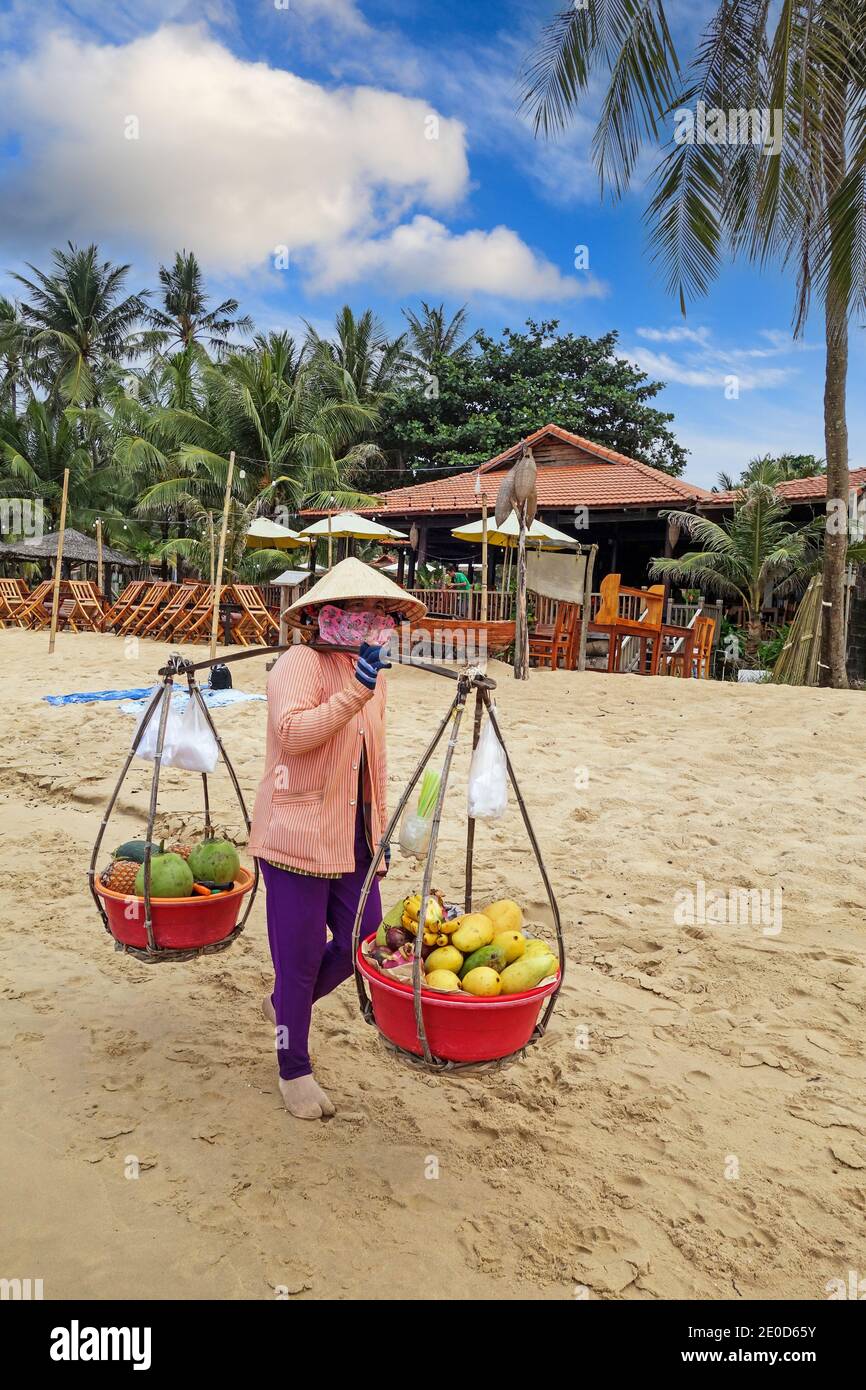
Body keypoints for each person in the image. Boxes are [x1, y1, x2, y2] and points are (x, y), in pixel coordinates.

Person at [248, 558, 427, 1120]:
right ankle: (292, 1064)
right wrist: (356, 688)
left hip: (354, 840)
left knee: (366, 942)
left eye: (380, 611)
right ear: (329, 615)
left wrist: (380, 836)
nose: (373, 620)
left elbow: (373, 761)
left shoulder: (372, 677)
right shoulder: (295, 664)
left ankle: (286, 1007)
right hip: (296, 837)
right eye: (361, 609)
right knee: (297, 960)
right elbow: (295, 735)